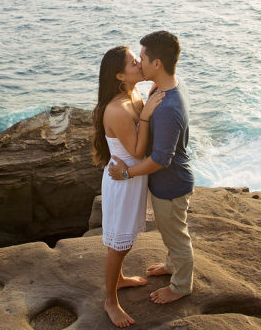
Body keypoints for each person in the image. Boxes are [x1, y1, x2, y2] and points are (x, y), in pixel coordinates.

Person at [109, 30, 194, 305]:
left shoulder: (168, 106)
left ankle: (181, 286)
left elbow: (159, 160)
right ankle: (172, 265)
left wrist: (125, 173)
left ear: (157, 64)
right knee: (169, 229)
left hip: (171, 185)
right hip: (165, 184)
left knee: (176, 236)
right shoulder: (162, 88)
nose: (139, 63)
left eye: (142, 57)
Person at [92, 45, 165, 328]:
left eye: (139, 59)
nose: (140, 63)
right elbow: (136, 151)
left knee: (126, 240)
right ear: (120, 75)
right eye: (134, 62)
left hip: (130, 178)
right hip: (123, 182)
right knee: (118, 245)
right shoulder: (118, 109)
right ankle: (110, 300)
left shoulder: (132, 94)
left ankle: (120, 280)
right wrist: (146, 115)